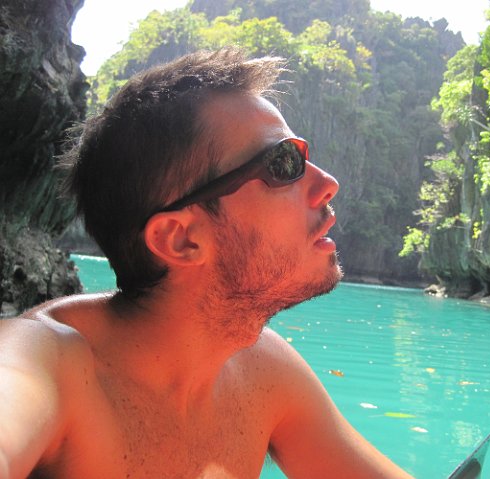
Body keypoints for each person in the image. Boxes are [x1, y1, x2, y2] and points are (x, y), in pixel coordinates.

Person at [0, 47, 414, 479]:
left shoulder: (263, 370)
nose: (328, 184)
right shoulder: (42, 361)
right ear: (180, 239)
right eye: (283, 164)